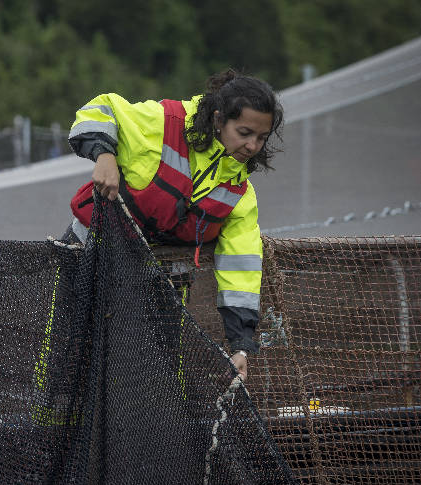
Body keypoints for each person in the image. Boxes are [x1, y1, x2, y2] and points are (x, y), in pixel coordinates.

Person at [66, 69, 284, 382]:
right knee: (69, 349)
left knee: (163, 367)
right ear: (219, 120)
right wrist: (104, 155)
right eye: (245, 132)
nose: (252, 146)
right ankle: (50, 423)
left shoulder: (240, 195)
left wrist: (240, 346)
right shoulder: (164, 122)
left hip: (166, 278)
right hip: (92, 253)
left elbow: (241, 268)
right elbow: (101, 109)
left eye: (261, 138)